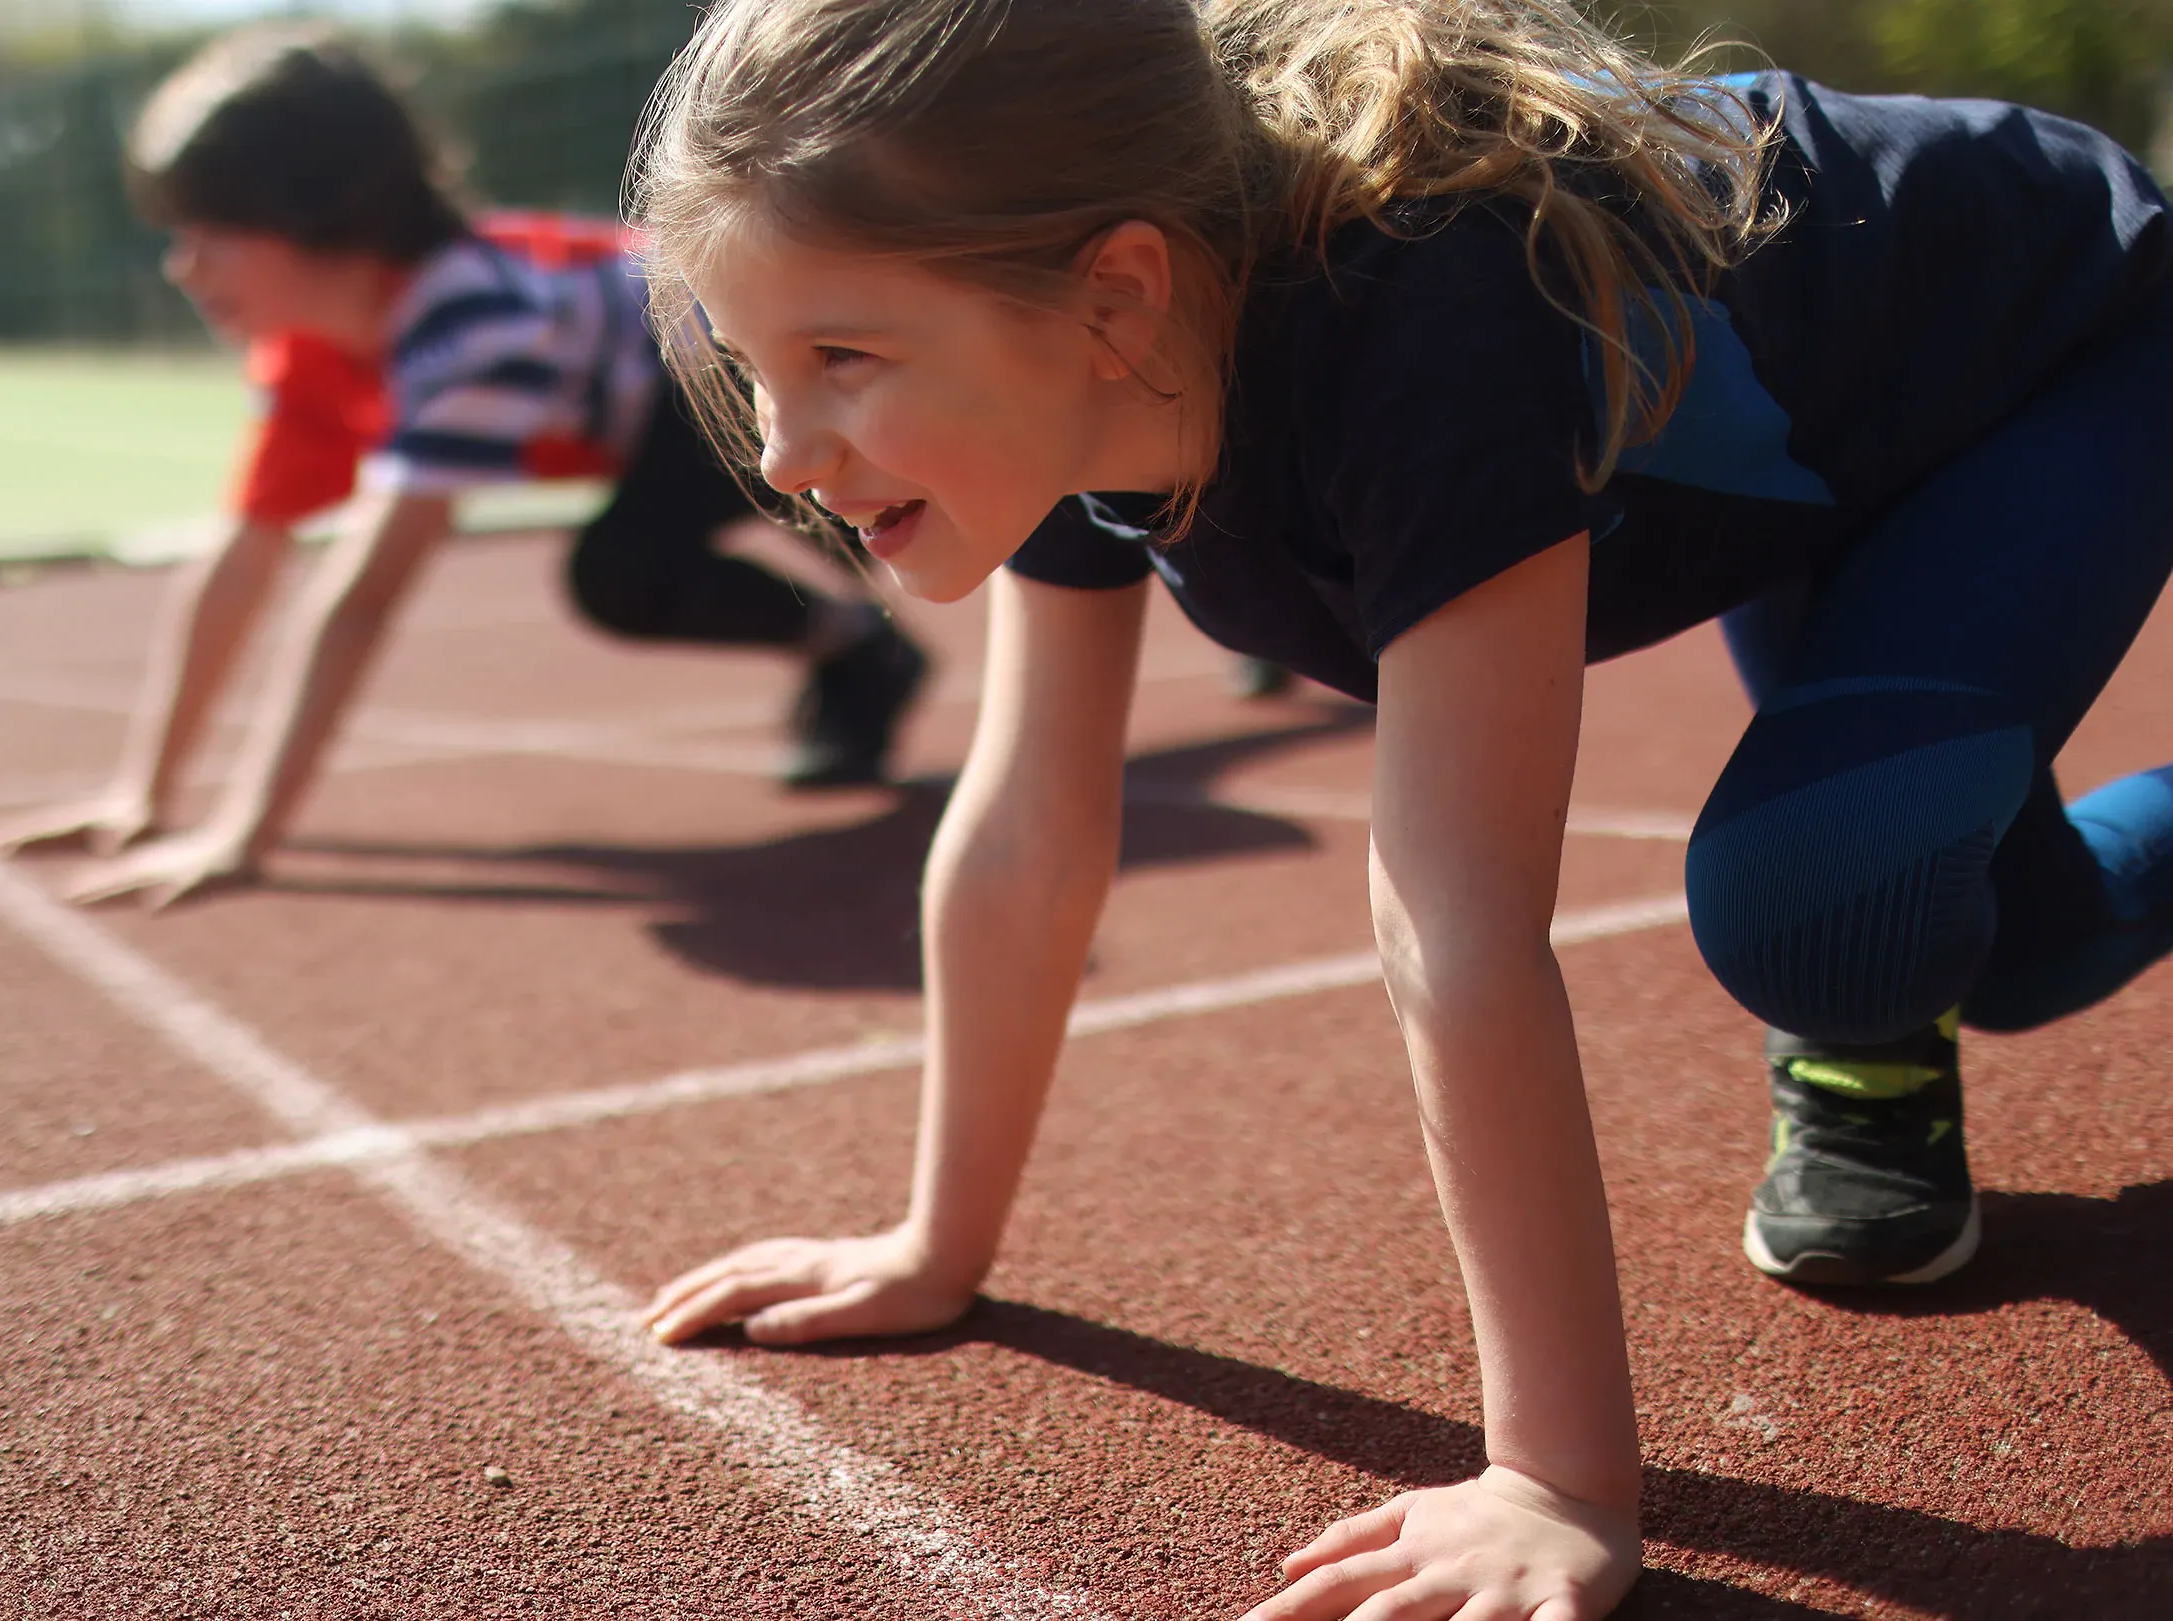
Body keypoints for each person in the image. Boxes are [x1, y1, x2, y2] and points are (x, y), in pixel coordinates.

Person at [621, 1, 2173, 1616]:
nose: (788, 455)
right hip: (1824, 427)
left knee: (1824, 907)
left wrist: (1556, 1480)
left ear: (1115, 293)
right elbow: (1026, 829)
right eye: (752, 370)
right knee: (1996, 941)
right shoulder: (1073, 380)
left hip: (2050, 347)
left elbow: (1457, 917)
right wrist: (933, 1244)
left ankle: (1864, 1010)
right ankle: (1900, 988)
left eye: (843, 360)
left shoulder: (1423, 310)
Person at [0, 26, 928, 903]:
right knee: (661, 561)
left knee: (639, 569)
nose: (181, 268)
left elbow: (359, 601)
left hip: (719, 363)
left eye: (209, 233)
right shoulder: (309, 348)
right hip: (649, 405)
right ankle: (863, 643)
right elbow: (243, 561)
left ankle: (870, 640)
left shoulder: (464, 323)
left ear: (315, 214)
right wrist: (144, 797)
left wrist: (245, 835)